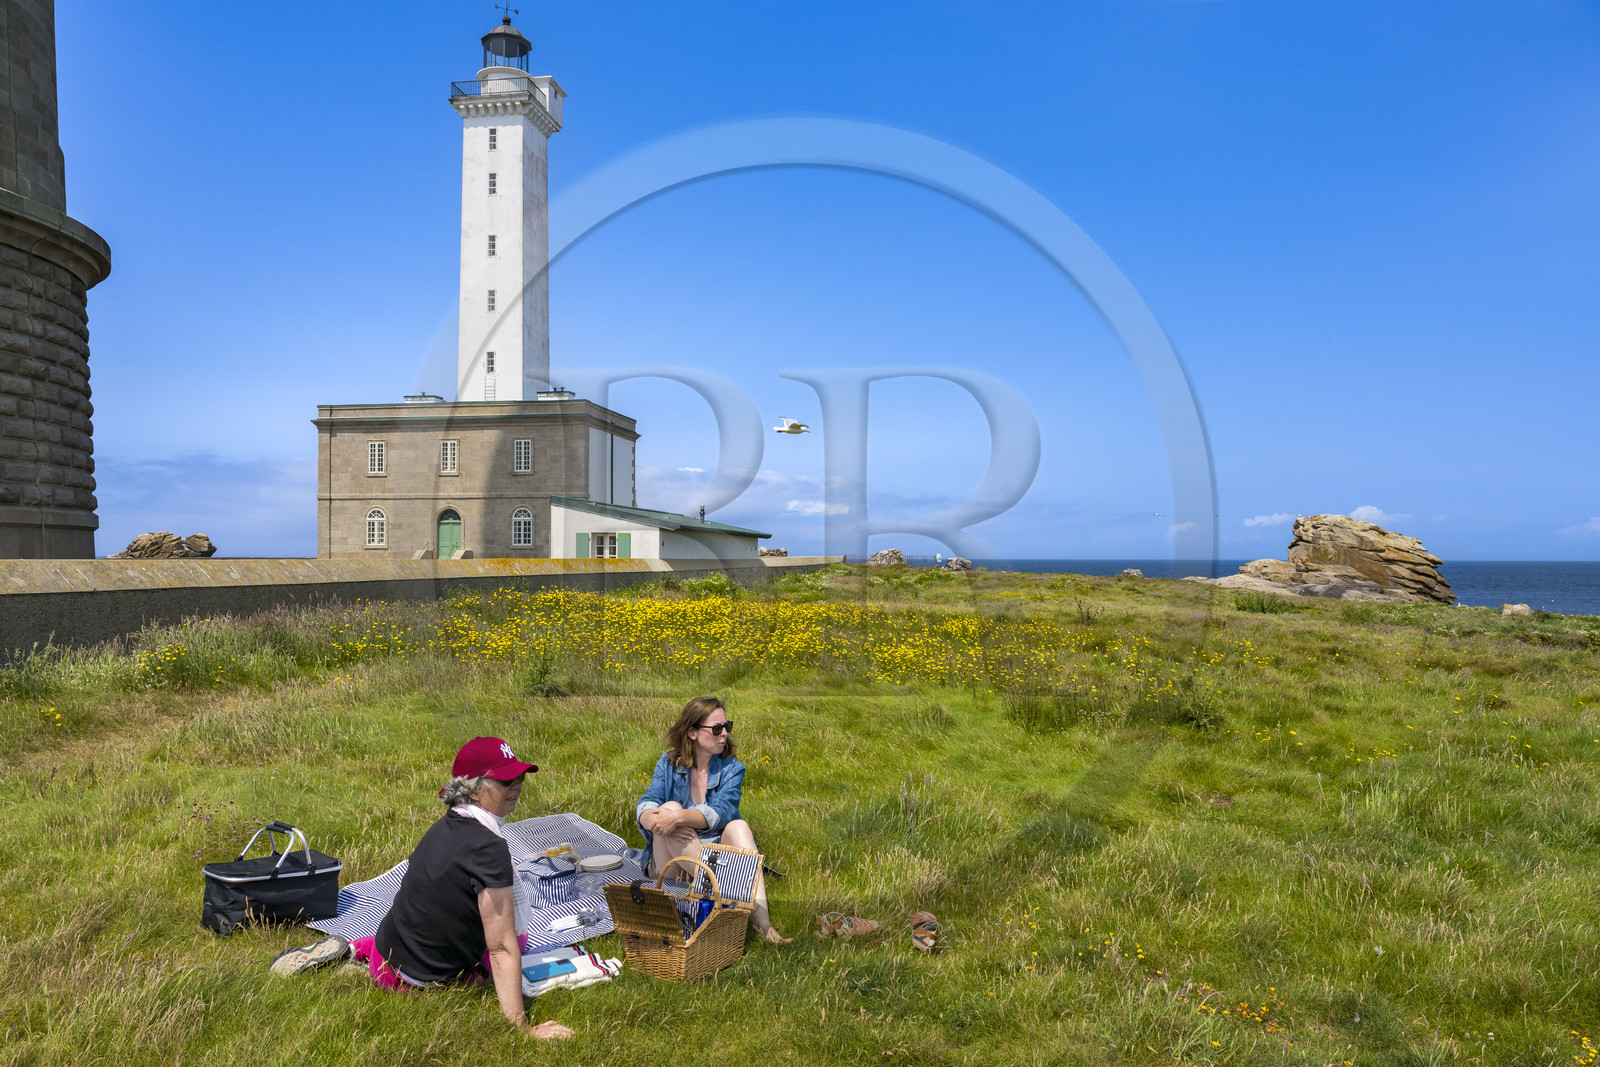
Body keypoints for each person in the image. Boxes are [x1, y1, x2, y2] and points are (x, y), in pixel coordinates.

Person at [356, 736, 572, 1040]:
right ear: (472, 788)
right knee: (518, 939)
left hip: (385, 956)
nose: (517, 785)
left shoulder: (445, 825)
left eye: (520, 776)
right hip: (418, 985)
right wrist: (521, 1029)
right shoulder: (488, 848)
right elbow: (501, 948)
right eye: (506, 779)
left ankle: (359, 948)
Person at [636, 696, 789, 943]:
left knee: (738, 825)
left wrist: (678, 818)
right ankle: (730, 897)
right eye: (717, 728)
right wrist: (651, 818)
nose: (725, 733)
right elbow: (649, 799)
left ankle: (764, 924)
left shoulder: (732, 768)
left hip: (710, 856)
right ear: (693, 732)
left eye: (727, 726)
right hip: (671, 865)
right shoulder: (668, 763)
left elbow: (724, 812)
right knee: (670, 805)